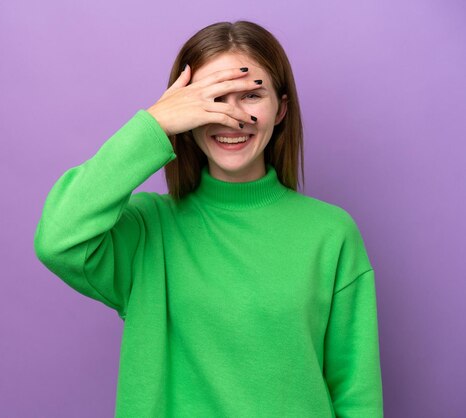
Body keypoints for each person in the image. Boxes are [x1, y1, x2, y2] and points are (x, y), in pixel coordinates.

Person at [34, 20, 384, 418]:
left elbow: (357, 397)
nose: (231, 117)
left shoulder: (331, 233)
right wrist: (154, 124)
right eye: (213, 98)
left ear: (281, 108)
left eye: (252, 95)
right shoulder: (149, 230)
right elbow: (57, 239)